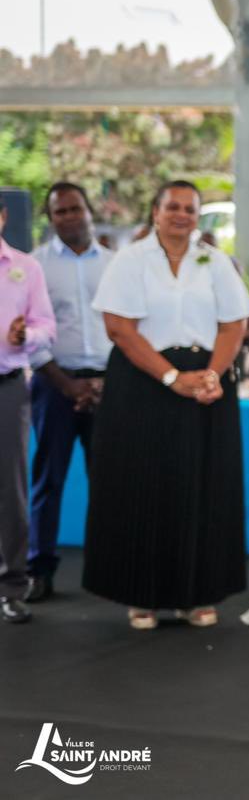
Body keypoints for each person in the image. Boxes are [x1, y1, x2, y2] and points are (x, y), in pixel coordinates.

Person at [83, 180, 249, 630]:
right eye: (172, 207)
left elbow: (234, 325)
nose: (181, 215)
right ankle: (140, 596)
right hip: (142, 381)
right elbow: (119, 328)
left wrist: (212, 375)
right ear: (155, 212)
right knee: (142, 484)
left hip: (206, 383)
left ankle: (198, 595)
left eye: (189, 208)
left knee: (204, 486)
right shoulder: (130, 259)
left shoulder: (215, 261)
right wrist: (171, 377)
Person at [27, 182, 113, 602]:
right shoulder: (34, 266)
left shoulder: (116, 264)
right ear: (50, 218)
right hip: (53, 383)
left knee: (109, 481)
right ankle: (39, 569)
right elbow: (28, 332)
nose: (69, 217)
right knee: (48, 479)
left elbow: (130, 326)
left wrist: (105, 382)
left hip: (109, 384)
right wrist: (67, 384)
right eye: (60, 212)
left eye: (75, 208)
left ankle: (111, 570)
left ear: (89, 210)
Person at [0, 201, 56, 624]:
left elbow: (46, 327)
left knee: (11, 490)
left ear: (2, 216)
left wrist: (27, 335)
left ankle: (12, 587)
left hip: (9, 386)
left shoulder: (25, 267)